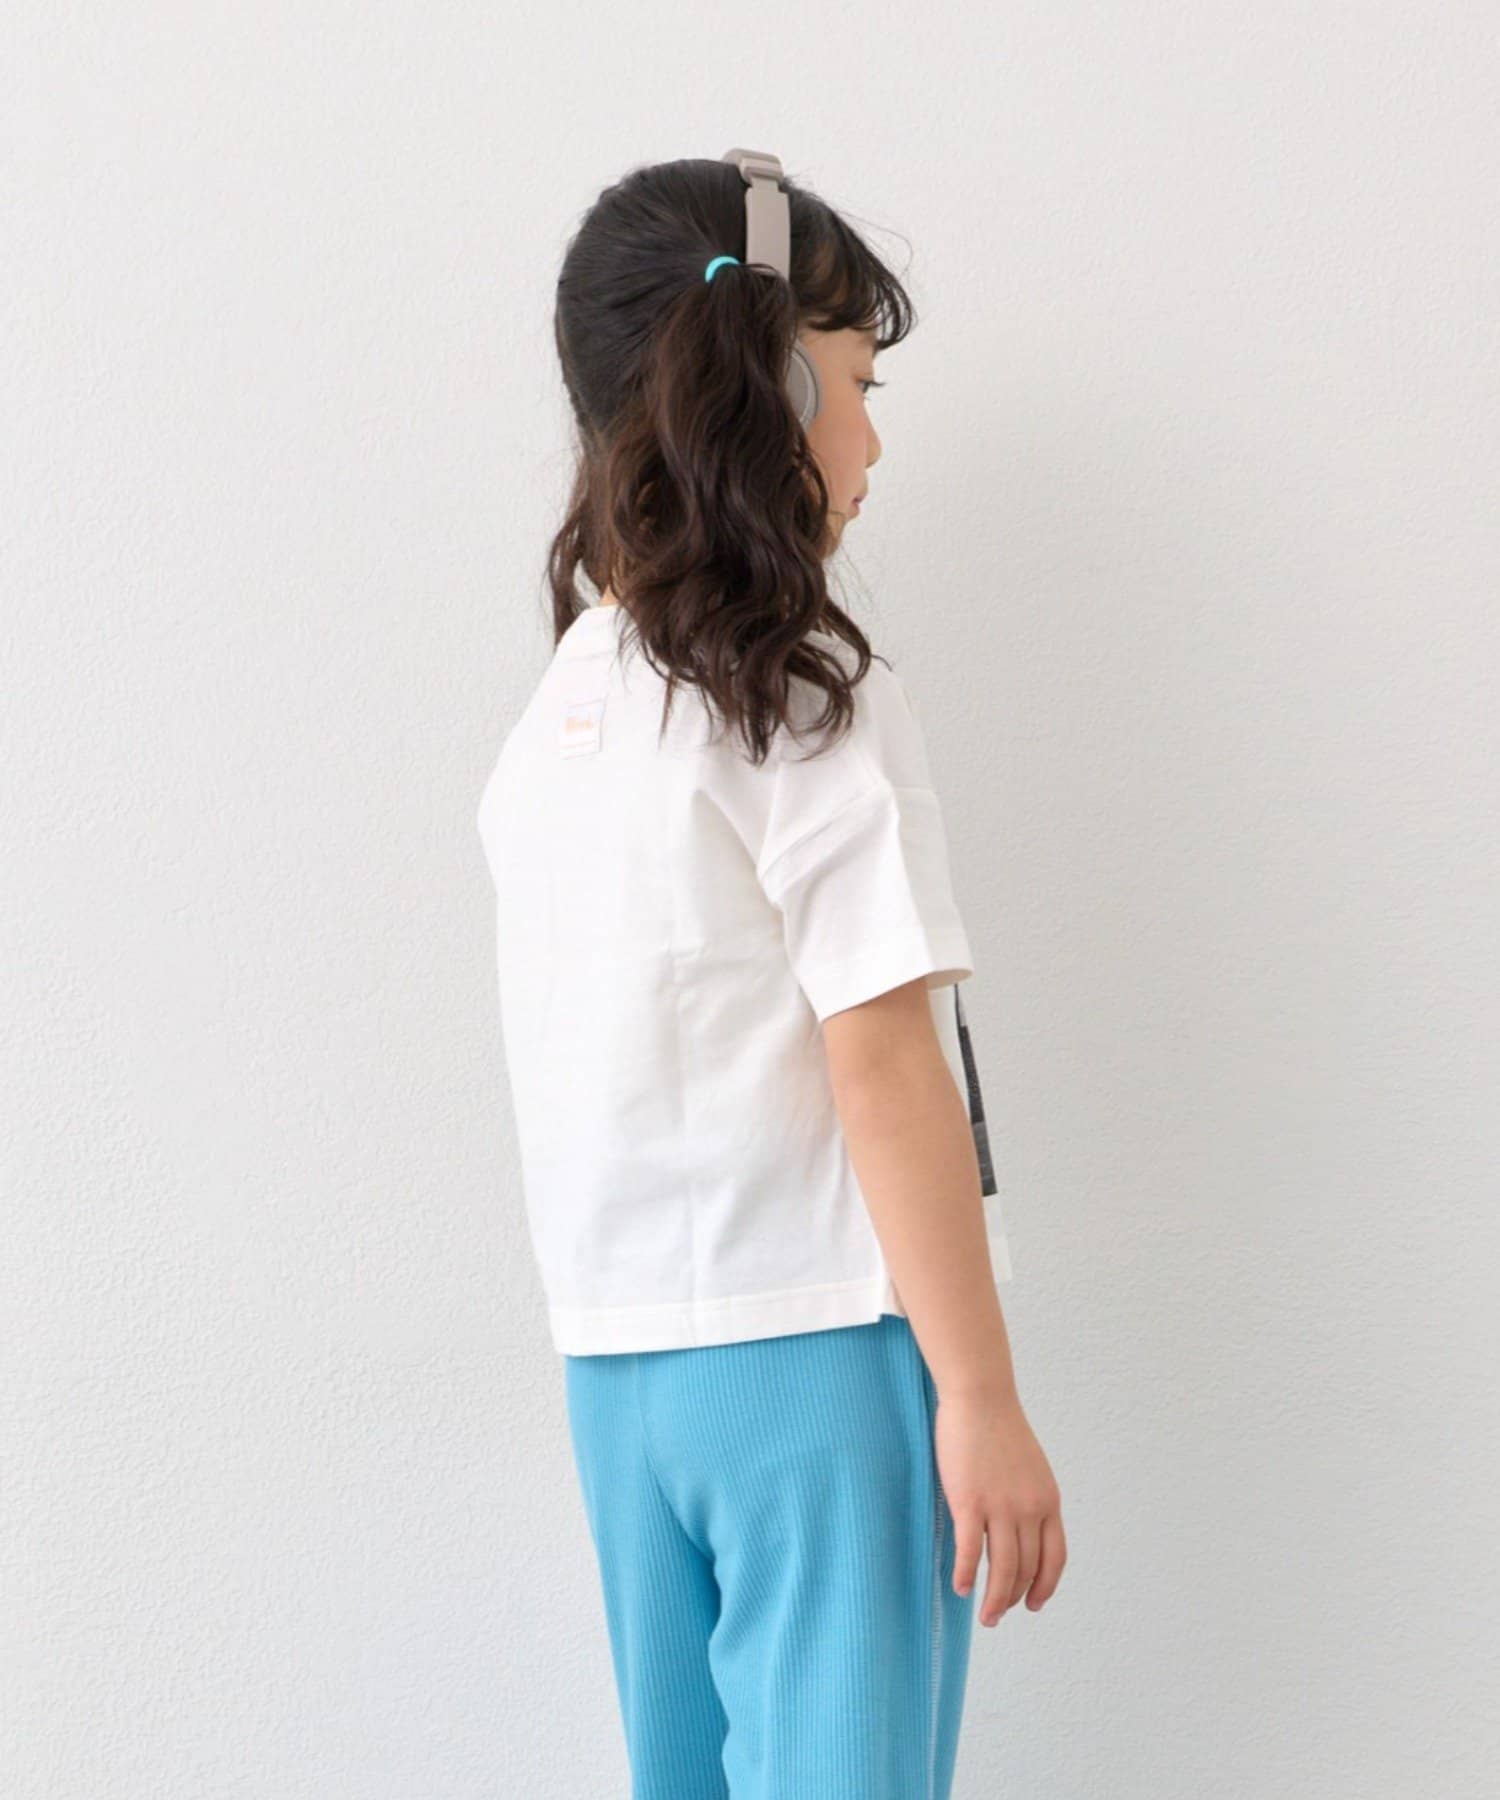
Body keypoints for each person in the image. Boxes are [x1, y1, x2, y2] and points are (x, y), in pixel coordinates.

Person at [475, 148, 1066, 1799]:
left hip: (620, 1380)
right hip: (816, 1361)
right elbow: (884, 1062)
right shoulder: (799, 699)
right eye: (860, 388)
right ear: (777, 386)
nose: (872, 442)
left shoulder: (564, 715)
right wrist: (981, 1398)